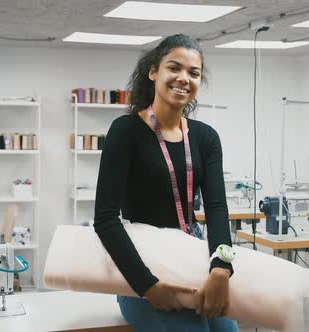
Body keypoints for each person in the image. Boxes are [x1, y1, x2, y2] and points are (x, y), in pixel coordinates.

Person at [94, 34, 239, 332]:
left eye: (193, 73)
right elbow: (105, 219)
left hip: (192, 253)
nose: (183, 78)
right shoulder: (125, 132)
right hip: (143, 261)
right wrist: (147, 286)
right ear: (153, 72)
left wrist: (221, 266)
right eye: (174, 68)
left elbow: (216, 207)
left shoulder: (205, 137)